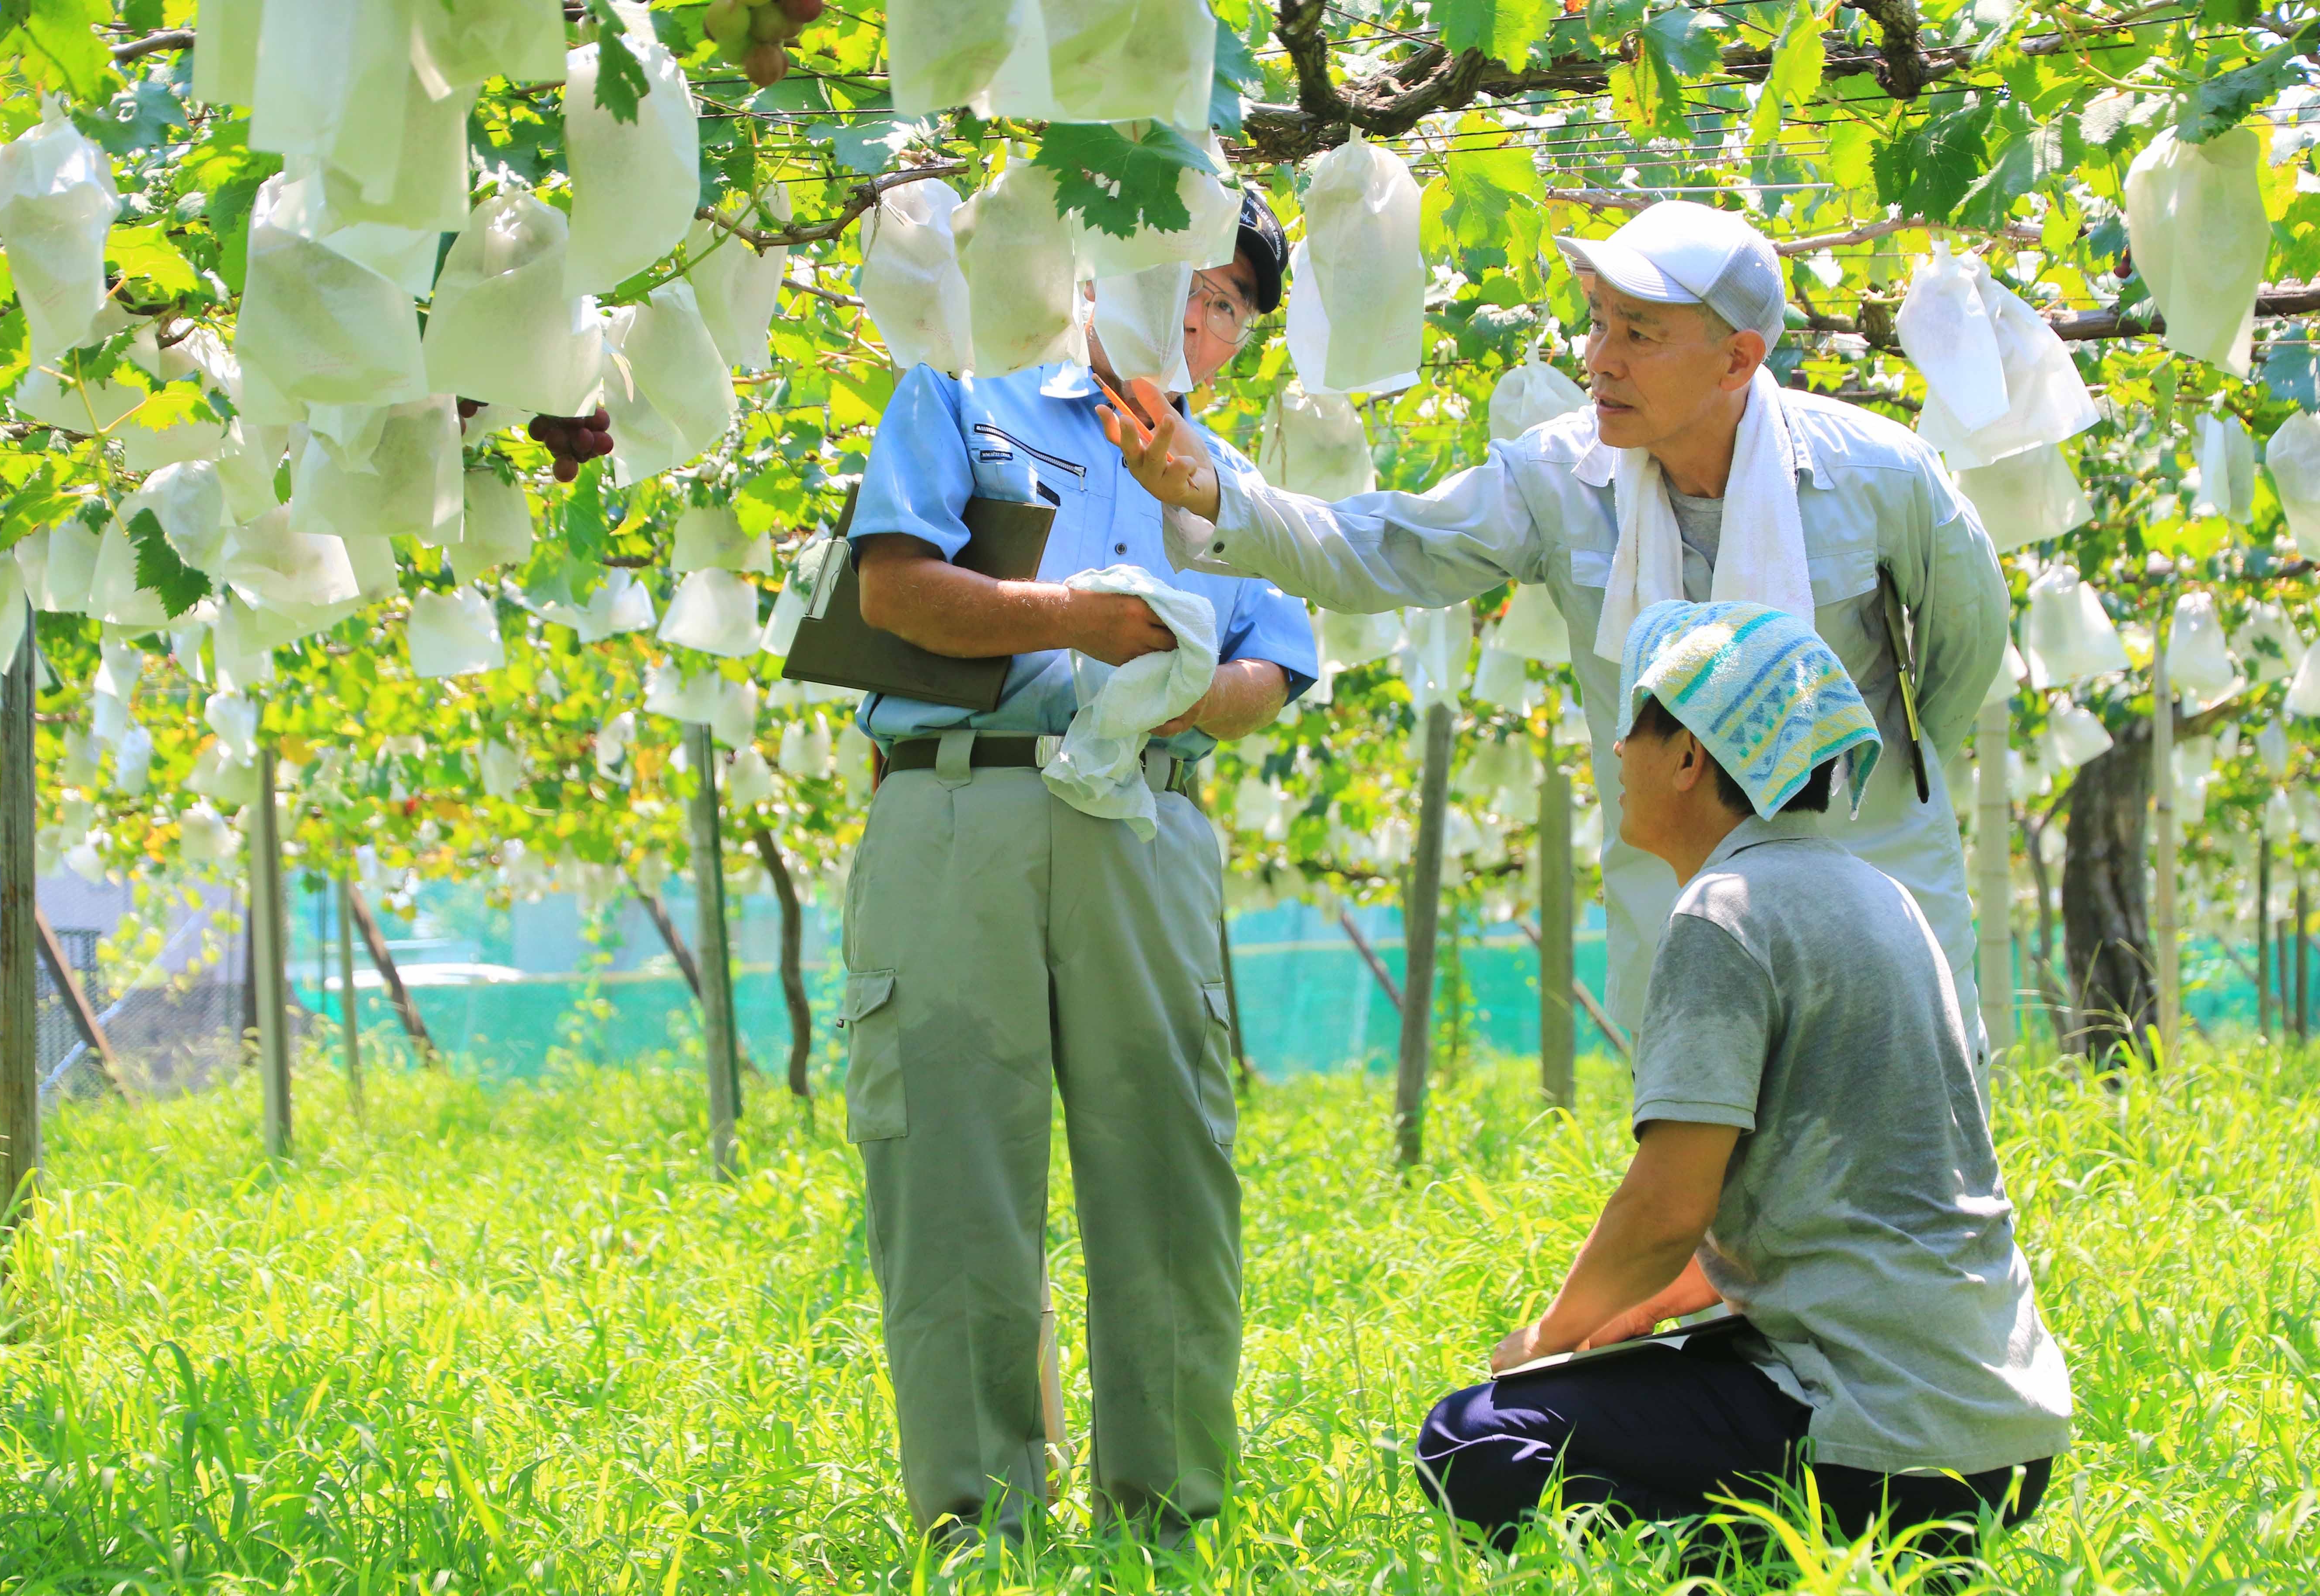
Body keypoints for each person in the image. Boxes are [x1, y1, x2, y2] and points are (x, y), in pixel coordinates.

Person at [1103, 199, 2011, 1050]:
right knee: (1707, 1177)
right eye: (1599, 322)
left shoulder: (1882, 478)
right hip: (1680, 895)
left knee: (1905, 1167)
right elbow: (1386, 547)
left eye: (1639, 334)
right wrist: (1214, 493)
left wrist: (1888, 777)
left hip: (1870, 865)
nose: (1599, 358)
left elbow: (1962, 656)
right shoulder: (1560, 480)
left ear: (1737, 360)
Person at [839, 190, 1318, 1543]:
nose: (1199, 315)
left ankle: (1167, 1526)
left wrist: (1179, 695)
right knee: (951, 1175)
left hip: (1144, 817)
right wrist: (1094, 626)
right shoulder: (966, 392)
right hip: (960, 804)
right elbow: (895, 588)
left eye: (1230, 304)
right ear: (1112, 270)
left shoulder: (1228, 484)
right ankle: (979, 1529)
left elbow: (1275, 666)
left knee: (1167, 1166)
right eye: (1186, 279)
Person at [1412, 600, 2071, 1564]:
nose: (1616, 754)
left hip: (1878, 1434)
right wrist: (1632, 1318)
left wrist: (1548, 1337)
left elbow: (1667, 1208)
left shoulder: (1726, 912)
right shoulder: (1879, 897)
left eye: (1635, 726)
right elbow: (1804, 1213)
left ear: (1688, 756)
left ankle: (1801, 1573)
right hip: (1999, 1435)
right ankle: (1889, 1570)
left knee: (1473, 1436)